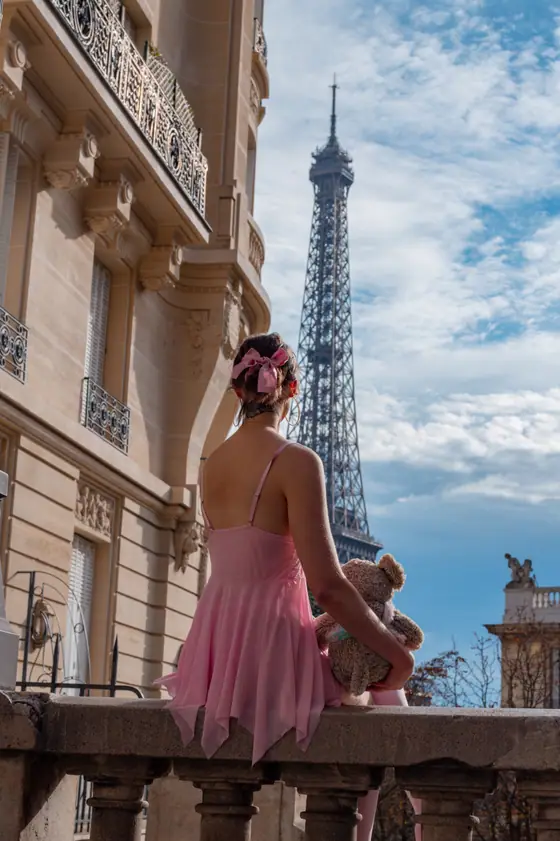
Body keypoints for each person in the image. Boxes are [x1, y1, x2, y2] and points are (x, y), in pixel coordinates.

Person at [156, 332, 419, 841]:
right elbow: (332, 587)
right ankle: (415, 816)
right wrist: (398, 655)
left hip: (216, 660)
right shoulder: (298, 462)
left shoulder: (211, 468)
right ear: (291, 389)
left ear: (237, 391)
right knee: (386, 695)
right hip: (274, 656)